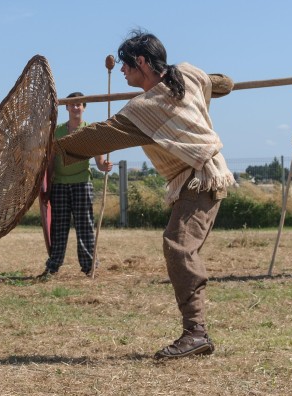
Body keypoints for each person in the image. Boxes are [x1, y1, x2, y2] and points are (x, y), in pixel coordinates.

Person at [53, 29, 235, 359]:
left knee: (178, 245)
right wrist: (202, 78)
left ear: (141, 62)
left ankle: (196, 332)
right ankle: (196, 331)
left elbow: (100, 136)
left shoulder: (145, 107)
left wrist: (50, 149)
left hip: (200, 178)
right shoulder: (188, 75)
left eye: (126, 65)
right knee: (180, 245)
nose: (122, 71)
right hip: (201, 176)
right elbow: (225, 82)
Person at [40, 92, 113, 278]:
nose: (75, 108)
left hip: (82, 183)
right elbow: (49, 161)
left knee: (85, 226)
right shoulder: (57, 132)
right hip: (60, 185)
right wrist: (47, 187)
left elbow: (99, 161)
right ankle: (53, 266)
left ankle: (90, 266)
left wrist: (105, 166)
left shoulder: (90, 131)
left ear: (84, 107)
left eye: (79, 104)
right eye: (72, 105)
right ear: (66, 108)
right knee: (59, 227)